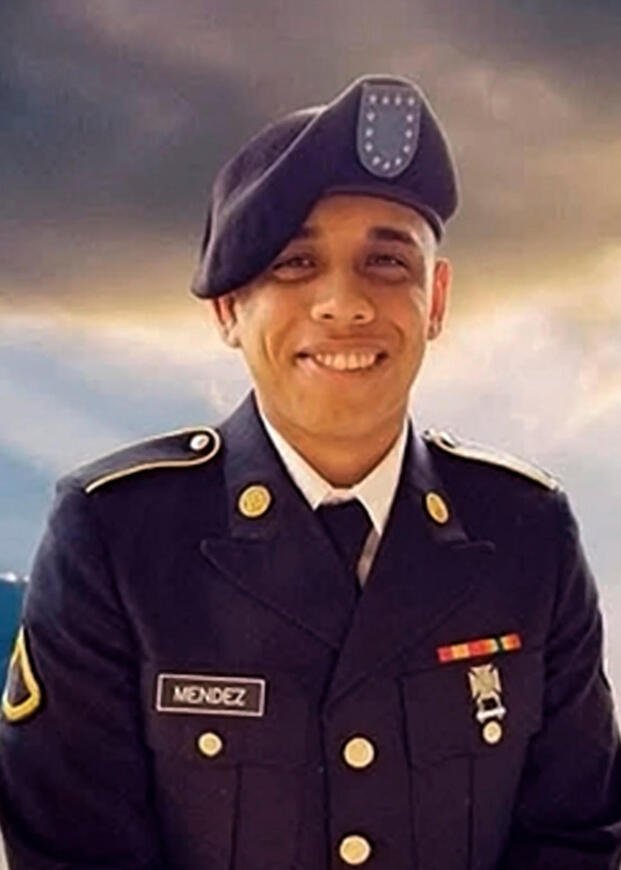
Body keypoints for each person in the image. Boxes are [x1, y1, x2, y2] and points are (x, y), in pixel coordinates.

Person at [0, 73, 619, 869]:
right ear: (228, 308)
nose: (344, 304)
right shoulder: (118, 536)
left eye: (386, 261)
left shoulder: (526, 533)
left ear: (435, 299)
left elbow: (576, 835)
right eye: (294, 263)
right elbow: (71, 851)